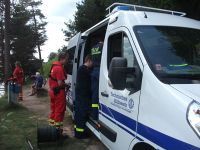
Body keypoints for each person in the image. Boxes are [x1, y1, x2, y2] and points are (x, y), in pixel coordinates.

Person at [48, 52, 69, 132]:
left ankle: (51, 129)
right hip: (58, 92)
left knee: (54, 110)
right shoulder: (59, 68)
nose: (67, 61)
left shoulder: (54, 66)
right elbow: (60, 83)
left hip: (53, 92)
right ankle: (58, 131)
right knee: (59, 111)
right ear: (62, 59)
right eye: (66, 59)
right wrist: (66, 86)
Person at [74, 54, 93, 139]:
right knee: (81, 114)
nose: (93, 64)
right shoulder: (84, 69)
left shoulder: (83, 69)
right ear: (89, 60)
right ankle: (80, 135)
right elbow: (87, 84)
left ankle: (78, 132)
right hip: (82, 96)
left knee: (79, 114)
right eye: (92, 62)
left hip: (81, 95)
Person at [90, 37, 103, 120]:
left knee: (94, 93)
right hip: (100, 70)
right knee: (102, 93)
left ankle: (94, 115)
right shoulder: (103, 46)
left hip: (94, 70)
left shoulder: (93, 48)